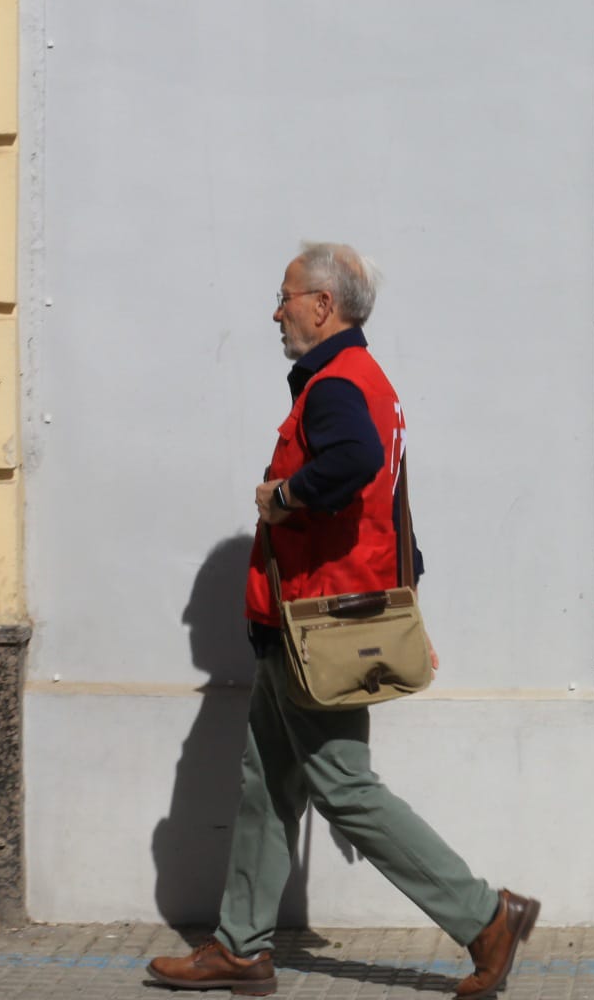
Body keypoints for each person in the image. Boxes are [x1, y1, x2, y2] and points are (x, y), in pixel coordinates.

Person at [148, 242, 538, 998]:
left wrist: (283, 497)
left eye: (287, 296)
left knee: (343, 786)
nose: (277, 310)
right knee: (267, 783)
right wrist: (404, 608)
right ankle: (242, 945)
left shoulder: (334, 386)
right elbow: (394, 517)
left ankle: (485, 916)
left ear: (323, 305)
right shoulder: (369, 382)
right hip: (311, 626)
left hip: (317, 632)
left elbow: (353, 464)